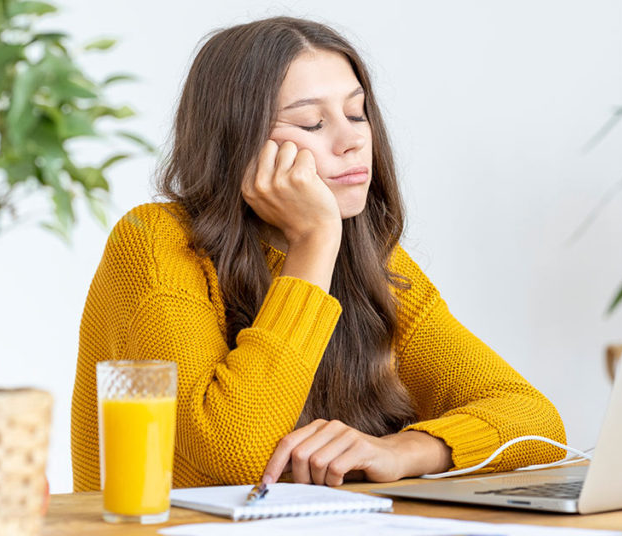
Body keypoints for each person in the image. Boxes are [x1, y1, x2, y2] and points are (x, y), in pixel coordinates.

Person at [70, 16, 565, 492]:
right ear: (236, 143)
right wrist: (315, 241)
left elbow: (536, 422)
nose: (352, 140)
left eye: (356, 113)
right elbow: (231, 450)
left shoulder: (375, 264)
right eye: (311, 123)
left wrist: (402, 451)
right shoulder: (156, 241)